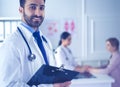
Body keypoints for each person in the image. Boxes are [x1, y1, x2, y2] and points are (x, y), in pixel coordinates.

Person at [0, 0, 71, 87]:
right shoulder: (11, 44)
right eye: (32, 7)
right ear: (21, 10)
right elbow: (7, 85)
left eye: (41, 8)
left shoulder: (46, 42)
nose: (38, 13)